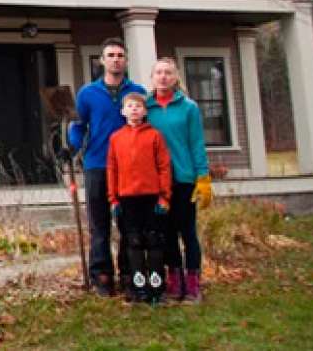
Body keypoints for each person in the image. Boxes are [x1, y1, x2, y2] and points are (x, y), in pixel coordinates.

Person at [68, 38, 147, 296]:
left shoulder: (137, 93)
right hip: (97, 164)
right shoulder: (88, 94)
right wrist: (71, 147)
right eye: (110, 55)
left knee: (128, 223)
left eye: (120, 55)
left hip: (130, 168)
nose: (116, 59)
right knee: (99, 224)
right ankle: (101, 275)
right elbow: (78, 125)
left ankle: (128, 272)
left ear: (126, 60)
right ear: (102, 60)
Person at [146, 57, 213, 304]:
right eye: (159, 72)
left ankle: (193, 283)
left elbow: (197, 143)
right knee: (166, 233)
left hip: (184, 179)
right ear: (152, 77)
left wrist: (202, 177)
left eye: (168, 73)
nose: (163, 77)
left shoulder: (188, 107)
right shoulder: (146, 108)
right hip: (156, 182)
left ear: (175, 77)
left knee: (187, 232)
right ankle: (174, 281)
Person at [107, 92, 172, 305]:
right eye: (130, 106)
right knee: (133, 242)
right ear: (123, 111)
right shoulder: (116, 138)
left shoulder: (154, 136)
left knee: (153, 241)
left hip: (151, 197)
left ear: (145, 111)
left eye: (138, 106)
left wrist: (164, 197)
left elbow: (163, 167)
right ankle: (138, 287)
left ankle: (156, 287)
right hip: (127, 198)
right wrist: (113, 199)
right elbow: (112, 169)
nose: (134, 109)